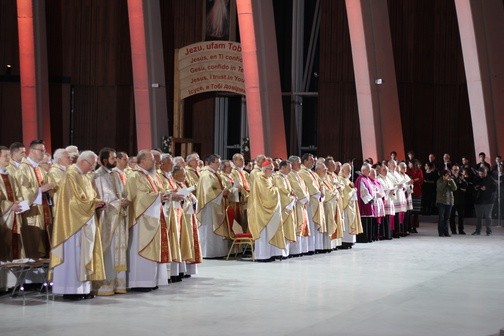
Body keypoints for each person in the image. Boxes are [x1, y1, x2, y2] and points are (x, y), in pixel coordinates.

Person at [50, 151, 105, 300]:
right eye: (92, 164)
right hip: (72, 225)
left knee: (84, 255)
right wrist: (93, 203)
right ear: (83, 162)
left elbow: (89, 196)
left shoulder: (84, 176)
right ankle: (70, 290)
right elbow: (73, 202)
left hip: (86, 221)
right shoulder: (71, 175)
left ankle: (84, 289)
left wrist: (97, 202)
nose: (93, 168)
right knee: (74, 256)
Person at [126, 149, 171, 291]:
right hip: (141, 219)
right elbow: (138, 197)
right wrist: (158, 196)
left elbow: (156, 191)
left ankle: (151, 280)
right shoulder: (134, 176)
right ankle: (139, 282)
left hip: (153, 216)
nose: (155, 162)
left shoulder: (149, 176)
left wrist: (163, 195)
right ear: (143, 160)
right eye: (151, 159)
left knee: (153, 248)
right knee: (140, 250)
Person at [93, 148, 130, 295]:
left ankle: (118, 284)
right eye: (113, 158)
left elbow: (122, 191)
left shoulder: (115, 174)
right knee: (108, 252)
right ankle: (104, 285)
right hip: (106, 218)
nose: (115, 160)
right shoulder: (98, 175)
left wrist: (125, 199)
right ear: (104, 160)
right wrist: (118, 203)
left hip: (118, 217)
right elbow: (103, 196)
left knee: (119, 250)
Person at [15, 140, 55, 258]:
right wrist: (40, 190)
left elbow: (48, 188)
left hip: (44, 209)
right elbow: (22, 191)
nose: (43, 153)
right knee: (34, 242)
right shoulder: (23, 168)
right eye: (41, 150)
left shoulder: (40, 169)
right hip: (32, 213)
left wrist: (49, 190)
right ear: (31, 151)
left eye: (44, 150)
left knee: (46, 241)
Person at [247, 161, 284, 261]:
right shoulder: (260, 178)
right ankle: (262, 256)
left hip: (268, 210)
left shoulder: (268, 178)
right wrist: (277, 189)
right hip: (261, 211)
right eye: (271, 169)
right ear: (265, 169)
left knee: (271, 232)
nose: (273, 171)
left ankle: (271, 254)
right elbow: (267, 194)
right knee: (263, 234)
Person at [196, 154, 230, 258]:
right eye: (217, 163)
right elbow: (208, 192)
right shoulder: (206, 175)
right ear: (210, 163)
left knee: (213, 228)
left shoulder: (214, 174)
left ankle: (217, 252)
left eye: (219, 162)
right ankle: (208, 253)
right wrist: (222, 192)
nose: (219, 165)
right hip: (209, 205)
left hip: (215, 204)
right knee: (208, 229)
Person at [0, 146, 24, 261]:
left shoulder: (9, 175)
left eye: (9, 155)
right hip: (3, 218)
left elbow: (16, 193)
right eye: (6, 156)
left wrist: (18, 202)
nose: (9, 158)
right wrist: (10, 205)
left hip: (14, 216)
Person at [298, 153, 325, 253]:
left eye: (314, 160)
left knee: (314, 225)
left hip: (317, 200)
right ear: (305, 161)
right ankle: (309, 247)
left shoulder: (312, 172)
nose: (313, 162)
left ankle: (315, 246)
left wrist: (322, 192)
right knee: (310, 224)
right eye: (311, 160)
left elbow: (320, 182)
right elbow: (310, 185)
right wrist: (319, 193)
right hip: (310, 202)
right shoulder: (303, 172)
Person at [273, 160, 297, 257]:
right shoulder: (278, 178)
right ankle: (280, 252)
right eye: (289, 167)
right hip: (284, 206)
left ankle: (285, 252)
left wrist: (293, 192)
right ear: (282, 168)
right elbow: (281, 190)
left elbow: (289, 190)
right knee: (282, 228)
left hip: (288, 205)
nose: (291, 169)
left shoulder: (285, 177)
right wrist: (291, 197)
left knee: (288, 227)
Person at [287, 156, 310, 256]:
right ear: (291, 164)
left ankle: (301, 249)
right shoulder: (290, 174)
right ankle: (294, 250)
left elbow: (305, 188)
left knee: (302, 224)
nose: (300, 164)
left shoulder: (298, 174)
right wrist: (304, 198)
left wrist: (307, 197)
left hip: (302, 204)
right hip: (296, 203)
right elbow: (296, 187)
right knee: (297, 224)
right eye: (298, 162)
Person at [338, 163, 363, 248]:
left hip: (351, 204)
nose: (349, 171)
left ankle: (351, 241)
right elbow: (345, 192)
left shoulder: (347, 180)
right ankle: (345, 241)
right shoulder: (340, 179)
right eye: (347, 170)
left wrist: (353, 189)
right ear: (343, 170)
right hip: (345, 206)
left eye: (350, 170)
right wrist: (353, 190)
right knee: (346, 221)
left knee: (350, 221)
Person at [472, 167, 496, 235]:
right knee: (478, 217)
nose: (481, 175)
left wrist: (486, 188)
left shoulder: (490, 179)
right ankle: (478, 231)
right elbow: (473, 186)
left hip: (488, 201)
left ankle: (489, 231)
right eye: (480, 174)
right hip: (478, 200)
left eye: (482, 174)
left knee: (488, 216)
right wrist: (478, 188)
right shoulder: (476, 178)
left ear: (486, 172)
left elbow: (494, 189)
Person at [355, 164, 375, 243]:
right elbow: (363, 191)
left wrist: (373, 197)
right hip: (364, 203)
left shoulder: (367, 179)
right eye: (368, 170)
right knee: (364, 221)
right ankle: (363, 238)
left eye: (370, 170)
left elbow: (372, 189)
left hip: (369, 202)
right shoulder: (361, 179)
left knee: (369, 220)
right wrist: (369, 199)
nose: (370, 171)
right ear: (363, 171)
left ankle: (369, 237)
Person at [435, 169, 457, 237]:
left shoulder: (450, 180)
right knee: (441, 217)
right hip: (441, 202)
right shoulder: (439, 181)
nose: (447, 176)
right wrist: (445, 181)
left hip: (449, 201)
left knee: (447, 218)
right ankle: (441, 232)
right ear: (443, 175)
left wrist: (452, 181)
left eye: (448, 175)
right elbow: (440, 188)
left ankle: (446, 232)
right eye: (446, 175)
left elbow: (455, 188)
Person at [449, 164, 468, 235]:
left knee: (461, 216)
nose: (456, 171)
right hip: (452, 199)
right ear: (451, 170)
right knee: (452, 216)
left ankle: (461, 230)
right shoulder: (450, 178)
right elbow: (453, 187)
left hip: (460, 200)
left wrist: (462, 179)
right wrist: (460, 187)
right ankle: (453, 230)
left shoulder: (461, 178)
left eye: (457, 170)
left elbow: (466, 185)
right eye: (454, 170)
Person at [407, 160, 423, 233]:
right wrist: (414, 180)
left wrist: (414, 180)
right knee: (410, 211)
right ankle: (409, 226)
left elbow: (421, 179)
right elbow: (407, 180)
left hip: (417, 192)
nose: (409, 164)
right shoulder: (407, 171)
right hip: (410, 193)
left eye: (410, 163)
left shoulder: (419, 170)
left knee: (416, 211)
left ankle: (415, 227)